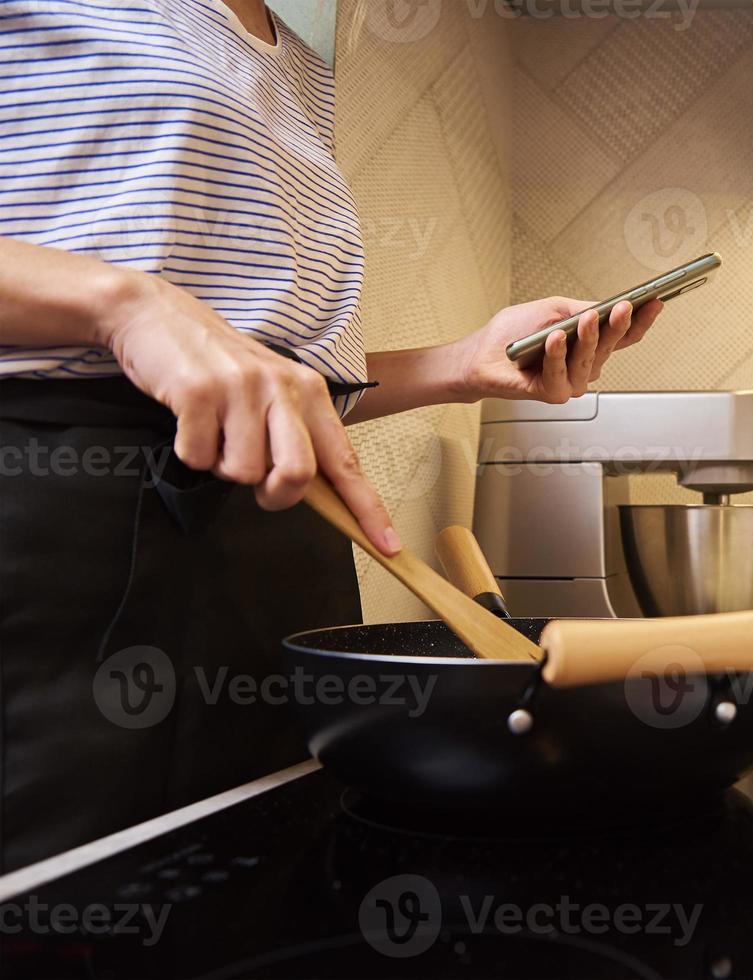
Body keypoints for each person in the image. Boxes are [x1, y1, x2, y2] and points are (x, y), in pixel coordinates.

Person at [0, 0, 663, 870]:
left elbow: (280, 375)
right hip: (60, 536)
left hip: (283, 551)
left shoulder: (298, 55)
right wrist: (122, 303)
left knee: (279, 884)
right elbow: (165, 330)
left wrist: (461, 364)